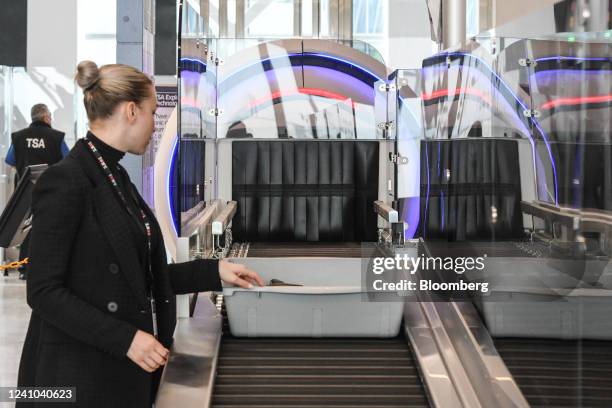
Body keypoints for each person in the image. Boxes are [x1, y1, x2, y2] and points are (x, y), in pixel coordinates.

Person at [16, 61, 265, 407]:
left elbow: (139, 275)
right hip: (75, 378)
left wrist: (214, 271)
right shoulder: (67, 181)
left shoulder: (115, 176)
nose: (154, 126)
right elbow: (43, 291)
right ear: (131, 111)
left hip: (112, 374)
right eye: (152, 113)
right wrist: (127, 339)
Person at [5, 104, 70, 280]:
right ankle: (48, 268)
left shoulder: (18, 137)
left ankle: (25, 269)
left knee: (25, 229)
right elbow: (68, 160)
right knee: (50, 226)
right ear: (46, 118)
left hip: (25, 193)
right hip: (51, 190)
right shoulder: (56, 138)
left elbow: (9, 162)